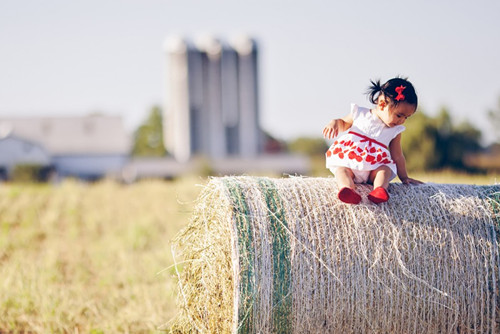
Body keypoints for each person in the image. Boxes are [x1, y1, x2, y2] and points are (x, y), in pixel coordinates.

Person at [322, 77, 423, 205]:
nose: (401, 121)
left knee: (385, 170)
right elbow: (343, 123)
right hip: (351, 162)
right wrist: (334, 123)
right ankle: (347, 190)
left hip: (373, 170)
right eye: (399, 115)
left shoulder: (395, 131)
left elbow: (397, 156)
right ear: (382, 104)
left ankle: (379, 190)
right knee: (341, 170)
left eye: (406, 118)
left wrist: (404, 178)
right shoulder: (360, 114)